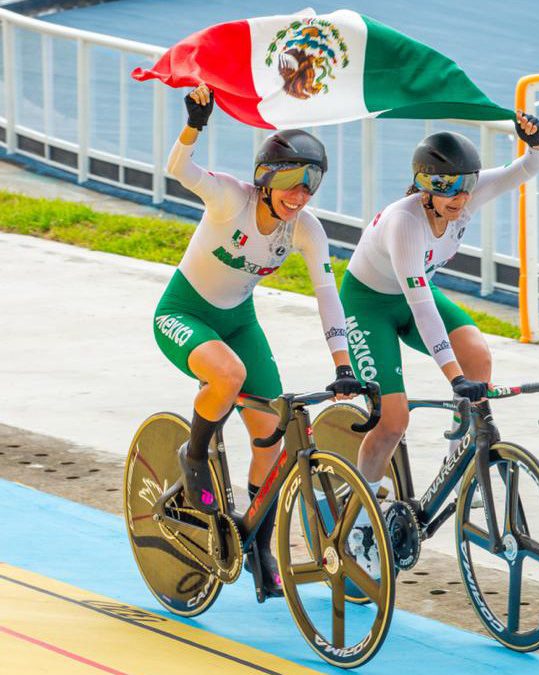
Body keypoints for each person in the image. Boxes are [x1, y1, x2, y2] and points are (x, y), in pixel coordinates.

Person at [155, 83, 362, 596]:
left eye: (311, 183)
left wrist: (343, 366)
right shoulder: (231, 200)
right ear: (266, 179)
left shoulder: (307, 230)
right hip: (183, 312)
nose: (301, 194)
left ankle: (258, 545)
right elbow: (178, 170)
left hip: (239, 322)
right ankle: (194, 454)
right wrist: (195, 125)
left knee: (272, 435)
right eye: (292, 181)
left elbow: (327, 296)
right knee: (228, 374)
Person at [339, 112, 539, 573]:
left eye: (466, 186)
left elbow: (529, 168)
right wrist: (453, 378)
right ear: (424, 187)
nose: (459, 197)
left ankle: (460, 459)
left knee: (478, 353)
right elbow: (421, 307)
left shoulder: (466, 197)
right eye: (447, 188)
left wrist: (534, 142)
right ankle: (355, 522)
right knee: (393, 421)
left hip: (415, 293)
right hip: (371, 303)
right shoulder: (404, 222)